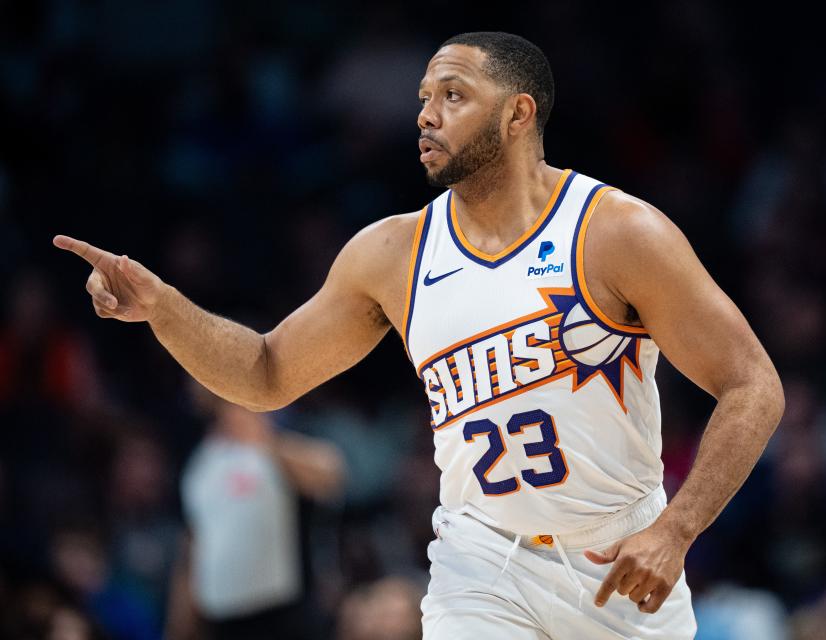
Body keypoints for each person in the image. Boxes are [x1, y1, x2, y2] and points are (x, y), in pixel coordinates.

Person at [54, 31, 784, 640]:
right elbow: (266, 373)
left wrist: (677, 528)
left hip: (620, 557)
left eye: (454, 96)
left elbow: (753, 386)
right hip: (482, 561)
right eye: (424, 99)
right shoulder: (392, 255)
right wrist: (163, 309)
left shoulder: (617, 233)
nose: (427, 115)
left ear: (518, 114)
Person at [164, 382, 344, 640]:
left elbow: (331, 477)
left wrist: (264, 439)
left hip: (284, 611)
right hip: (222, 619)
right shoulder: (197, 462)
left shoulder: (276, 436)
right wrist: (177, 628)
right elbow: (192, 550)